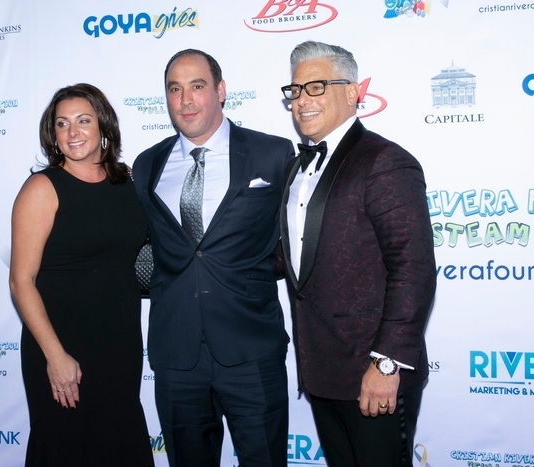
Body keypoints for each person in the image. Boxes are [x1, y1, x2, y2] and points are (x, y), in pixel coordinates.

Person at [132, 49, 294, 467]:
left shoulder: (272, 154)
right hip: (176, 356)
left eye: (197, 86)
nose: (186, 100)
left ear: (220, 90)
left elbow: (299, 237)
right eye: (175, 89)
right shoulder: (146, 165)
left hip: (251, 349)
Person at [279, 41, 436, 467]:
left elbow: (413, 268)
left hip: (374, 372)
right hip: (321, 370)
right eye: (295, 90)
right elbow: (293, 257)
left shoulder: (384, 160)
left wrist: (386, 365)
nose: (302, 100)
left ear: (352, 92)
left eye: (316, 87)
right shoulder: (296, 168)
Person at [9, 83, 153, 466]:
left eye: (83, 120)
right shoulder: (42, 188)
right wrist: (55, 356)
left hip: (119, 345)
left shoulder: (128, 182)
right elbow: (21, 281)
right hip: (61, 344)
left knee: (118, 444)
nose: (73, 132)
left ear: (103, 125)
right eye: (62, 123)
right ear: (53, 134)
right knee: (66, 446)